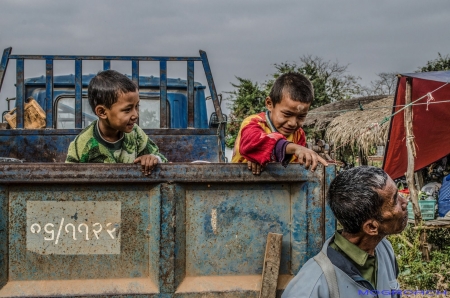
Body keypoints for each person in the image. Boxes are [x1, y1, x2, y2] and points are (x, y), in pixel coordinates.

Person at [282, 166, 408, 298]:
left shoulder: (384, 250)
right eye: (395, 201)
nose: (404, 202)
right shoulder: (313, 286)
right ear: (371, 227)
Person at [66, 70, 167, 175]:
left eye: (137, 106)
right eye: (127, 110)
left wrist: (153, 159)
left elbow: (163, 160)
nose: (136, 115)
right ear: (102, 112)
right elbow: (68, 177)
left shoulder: (136, 133)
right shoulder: (83, 143)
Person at [231, 72, 327, 174]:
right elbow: (253, 144)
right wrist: (295, 148)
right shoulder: (253, 122)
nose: (293, 123)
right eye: (287, 114)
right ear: (269, 104)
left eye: (301, 116)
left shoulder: (299, 135)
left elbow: (293, 168)